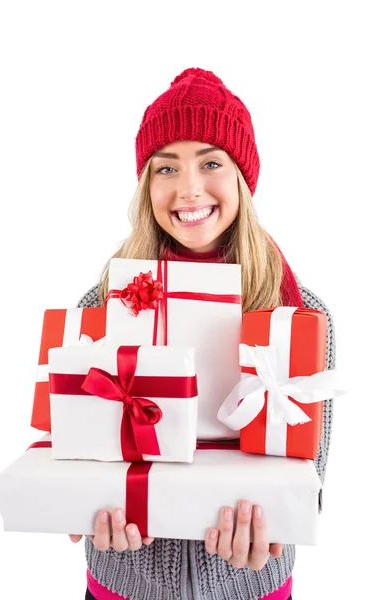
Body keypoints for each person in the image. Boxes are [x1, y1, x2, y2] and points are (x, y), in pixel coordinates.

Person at [69, 67, 335, 600]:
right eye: (166, 168)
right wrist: (80, 505)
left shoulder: (303, 315)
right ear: (147, 185)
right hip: (126, 582)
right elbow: (72, 458)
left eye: (211, 162)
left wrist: (274, 529)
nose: (188, 189)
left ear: (242, 176)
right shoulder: (98, 307)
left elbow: (310, 481)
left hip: (250, 586)